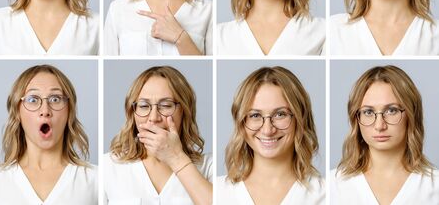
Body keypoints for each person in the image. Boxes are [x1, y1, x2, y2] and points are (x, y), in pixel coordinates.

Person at [0, 64, 98, 204]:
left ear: (69, 112)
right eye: (33, 100)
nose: (45, 110)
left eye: (55, 99)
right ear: (17, 112)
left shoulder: (95, 179)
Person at [104, 66, 212, 204]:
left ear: (185, 111)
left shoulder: (208, 167)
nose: (154, 117)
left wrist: (176, 158)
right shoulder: (108, 166)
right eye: (144, 106)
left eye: (166, 106)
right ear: (132, 113)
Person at [331, 65, 439, 204]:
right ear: (356, 118)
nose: (379, 125)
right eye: (368, 112)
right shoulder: (333, 186)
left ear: (411, 115)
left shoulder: (435, 186)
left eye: (391, 110)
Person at [217, 66, 325, 204]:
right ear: (241, 123)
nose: (268, 130)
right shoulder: (218, 192)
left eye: (280, 114)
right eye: (255, 115)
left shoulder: (325, 195)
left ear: (300, 119)